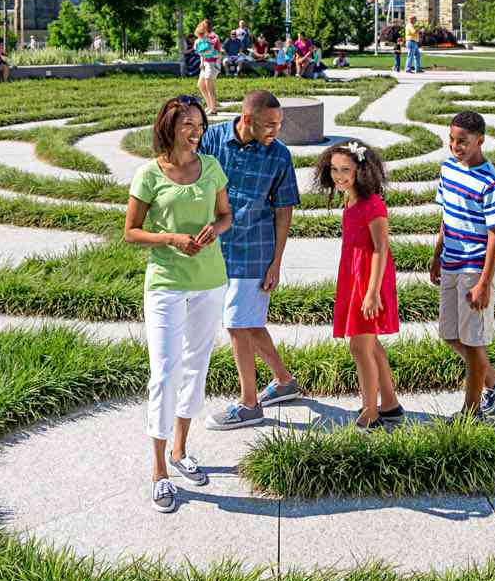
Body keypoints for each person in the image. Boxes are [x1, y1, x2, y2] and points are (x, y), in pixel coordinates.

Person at [125, 95, 232, 514]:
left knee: (196, 367)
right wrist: (170, 238)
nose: (196, 131)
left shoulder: (211, 167)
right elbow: (131, 231)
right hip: (167, 283)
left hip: (210, 281)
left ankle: (181, 450)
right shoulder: (149, 174)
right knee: (164, 373)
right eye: (187, 124)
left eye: (200, 125)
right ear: (168, 126)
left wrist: (213, 229)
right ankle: (158, 472)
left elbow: (226, 214)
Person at [202, 91, 304, 430]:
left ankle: (249, 404)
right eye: (269, 125)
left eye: (279, 125)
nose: (275, 132)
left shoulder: (279, 155)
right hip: (217, 248)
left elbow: (284, 207)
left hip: (256, 249)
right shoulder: (213, 138)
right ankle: (284, 381)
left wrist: (276, 261)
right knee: (249, 321)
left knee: (236, 324)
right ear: (246, 120)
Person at [314, 140, 402, 429]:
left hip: (369, 279)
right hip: (354, 276)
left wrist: (372, 292)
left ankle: (370, 412)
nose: (339, 175)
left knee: (360, 348)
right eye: (335, 169)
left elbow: (381, 248)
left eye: (346, 170)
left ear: (361, 171)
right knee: (371, 343)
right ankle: (389, 403)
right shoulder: (349, 199)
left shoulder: (372, 204)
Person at [429, 110, 495, 419]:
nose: (455, 146)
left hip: (476, 267)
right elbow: (446, 216)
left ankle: (472, 411)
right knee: (450, 334)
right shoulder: (448, 169)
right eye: (451, 140)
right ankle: (494, 380)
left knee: (473, 342)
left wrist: (484, 283)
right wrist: (437, 255)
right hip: (451, 260)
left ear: (480, 141)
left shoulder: (491, 183)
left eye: (462, 141)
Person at [193, 20, 221, 115]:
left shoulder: (214, 37)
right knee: (201, 85)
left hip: (212, 64)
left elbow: (217, 52)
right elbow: (202, 52)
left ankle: (213, 109)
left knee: (209, 86)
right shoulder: (202, 37)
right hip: (205, 63)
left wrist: (217, 64)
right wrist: (201, 62)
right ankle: (210, 106)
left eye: (203, 26)